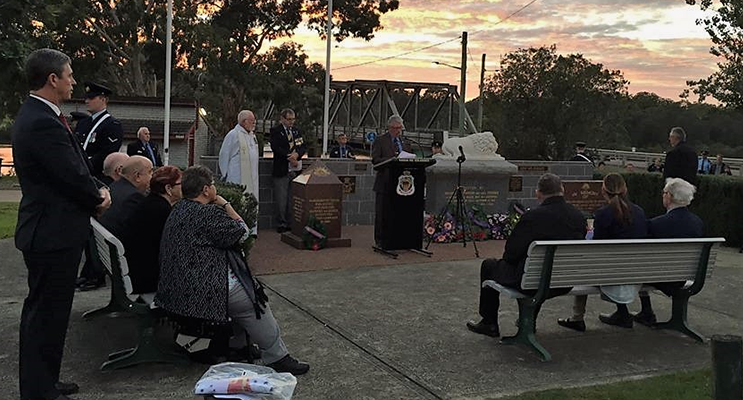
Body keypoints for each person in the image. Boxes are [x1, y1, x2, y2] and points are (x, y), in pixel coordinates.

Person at [12, 48, 111, 400]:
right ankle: (39, 390)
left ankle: (47, 382)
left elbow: (75, 167)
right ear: (52, 79)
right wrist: (98, 197)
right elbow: (69, 175)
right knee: (44, 316)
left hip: (54, 231)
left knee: (52, 315)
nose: (73, 81)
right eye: (68, 75)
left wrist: (95, 188)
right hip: (51, 234)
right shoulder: (40, 120)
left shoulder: (41, 115)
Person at [156, 166, 310, 375]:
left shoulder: (179, 209)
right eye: (212, 185)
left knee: (240, 292)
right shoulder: (207, 213)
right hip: (203, 289)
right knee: (251, 299)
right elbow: (242, 232)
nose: (214, 189)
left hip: (180, 285)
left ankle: (237, 346)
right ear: (206, 190)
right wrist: (225, 204)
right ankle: (277, 357)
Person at [466, 173, 586, 337]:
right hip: (564, 282)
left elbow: (511, 254)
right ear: (562, 190)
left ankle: (489, 322)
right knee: (537, 271)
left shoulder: (533, 217)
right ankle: (529, 320)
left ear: (538, 193)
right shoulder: (578, 217)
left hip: (531, 282)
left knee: (490, 265)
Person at [557, 173, 648, 331]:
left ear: (603, 191)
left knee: (583, 264)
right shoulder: (639, 212)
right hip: (637, 271)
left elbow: (597, 248)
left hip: (609, 273)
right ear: (625, 189)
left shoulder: (603, 214)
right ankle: (626, 313)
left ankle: (577, 318)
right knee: (619, 261)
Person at [632, 178, 703, 326]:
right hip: (686, 276)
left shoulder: (656, 224)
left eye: (664, 193)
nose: (663, 196)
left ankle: (641, 311)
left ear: (669, 196)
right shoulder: (697, 223)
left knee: (635, 265)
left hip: (662, 277)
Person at [120, 166, 182, 294]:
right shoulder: (161, 210)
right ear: (168, 188)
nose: (184, 187)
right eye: (180, 184)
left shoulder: (149, 203)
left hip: (135, 270)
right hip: (147, 278)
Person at [371, 115, 413, 247]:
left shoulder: (405, 142)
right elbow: (375, 160)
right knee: (382, 213)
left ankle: (399, 238)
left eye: (400, 128)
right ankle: (380, 240)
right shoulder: (380, 140)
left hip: (402, 184)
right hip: (385, 182)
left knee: (399, 212)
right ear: (389, 127)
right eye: (395, 128)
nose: (398, 131)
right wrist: (391, 160)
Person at [219, 110, 260, 236]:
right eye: (252, 121)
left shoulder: (252, 136)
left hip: (252, 177)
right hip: (237, 176)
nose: (254, 124)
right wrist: (225, 173)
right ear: (244, 122)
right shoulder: (233, 134)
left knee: (251, 201)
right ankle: (238, 229)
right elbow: (224, 154)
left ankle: (252, 230)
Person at [74, 81, 123, 179]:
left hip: (98, 175)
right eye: (86, 98)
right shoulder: (83, 123)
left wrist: (85, 166)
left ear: (103, 99)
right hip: (79, 173)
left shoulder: (112, 124)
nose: (87, 101)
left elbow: (107, 152)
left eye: (91, 98)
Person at [269, 108, 306, 233]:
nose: (291, 122)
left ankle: (291, 222)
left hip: (295, 169)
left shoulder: (296, 131)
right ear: (283, 119)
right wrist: (289, 157)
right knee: (281, 199)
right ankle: (281, 223)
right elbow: (276, 148)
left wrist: (297, 155)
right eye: (289, 119)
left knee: (292, 198)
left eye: (293, 119)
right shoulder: (275, 131)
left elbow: (302, 146)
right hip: (282, 168)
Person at [99, 155, 153, 238]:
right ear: (137, 176)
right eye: (150, 172)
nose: (152, 177)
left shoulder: (113, 187)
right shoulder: (133, 197)